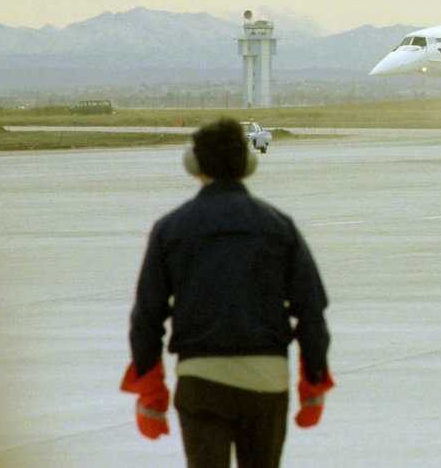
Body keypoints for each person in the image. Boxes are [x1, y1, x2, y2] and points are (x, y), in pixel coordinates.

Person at [122, 118, 333, 468]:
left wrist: (150, 388)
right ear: (248, 164)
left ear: (194, 165)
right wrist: (313, 382)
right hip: (266, 380)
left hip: (201, 380)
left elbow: (147, 316)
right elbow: (310, 310)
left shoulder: (170, 229)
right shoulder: (278, 226)